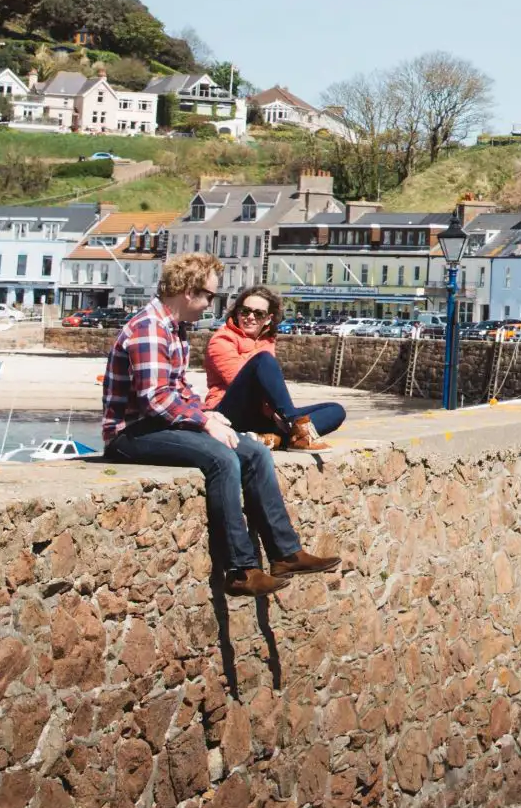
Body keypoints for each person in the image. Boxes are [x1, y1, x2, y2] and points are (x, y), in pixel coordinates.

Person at [102, 254, 346, 599]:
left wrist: (207, 414)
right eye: (209, 296)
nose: (211, 306)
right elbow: (155, 399)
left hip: (162, 425)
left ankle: (285, 554)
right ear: (188, 291)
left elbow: (179, 390)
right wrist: (204, 422)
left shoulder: (174, 329)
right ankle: (240, 569)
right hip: (130, 434)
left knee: (256, 452)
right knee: (222, 459)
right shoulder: (149, 328)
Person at [207, 288, 344, 450]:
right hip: (229, 412)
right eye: (245, 311)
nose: (250, 317)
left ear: (267, 319)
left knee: (335, 410)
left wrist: (277, 412)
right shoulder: (222, 339)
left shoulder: (267, 340)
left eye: (258, 314)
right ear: (237, 313)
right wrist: (279, 413)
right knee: (263, 360)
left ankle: (273, 439)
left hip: (262, 415)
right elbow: (238, 378)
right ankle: (293, 427)